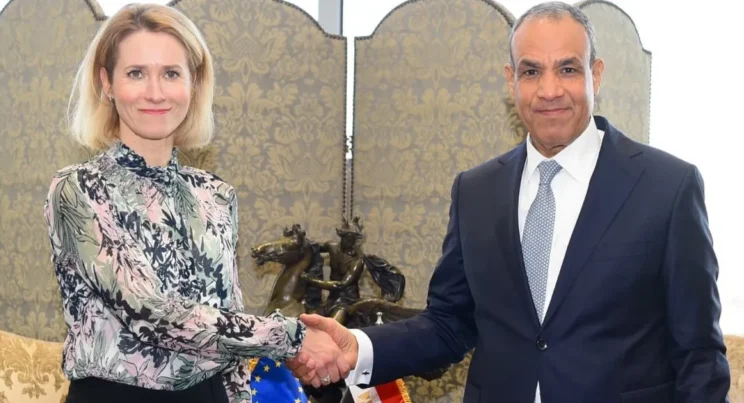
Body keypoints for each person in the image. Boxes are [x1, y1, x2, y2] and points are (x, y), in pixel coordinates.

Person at [288, 2, 731, 402]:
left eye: (568, 69)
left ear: (595, 75)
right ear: (511, 80)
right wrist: (358, 347)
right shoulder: (476, 191)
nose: (549, 90)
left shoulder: (667, 187)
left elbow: (699, 354)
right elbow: (448, 324)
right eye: (532, 71)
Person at [43, 4, 347, 403]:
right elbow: (151, 313)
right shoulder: (78, 188)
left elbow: (226, 322)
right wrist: (293, 337)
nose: (155, 92)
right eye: (136, 73)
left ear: (194, 83)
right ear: (107, 83)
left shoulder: (215, 193)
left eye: (171, 73)